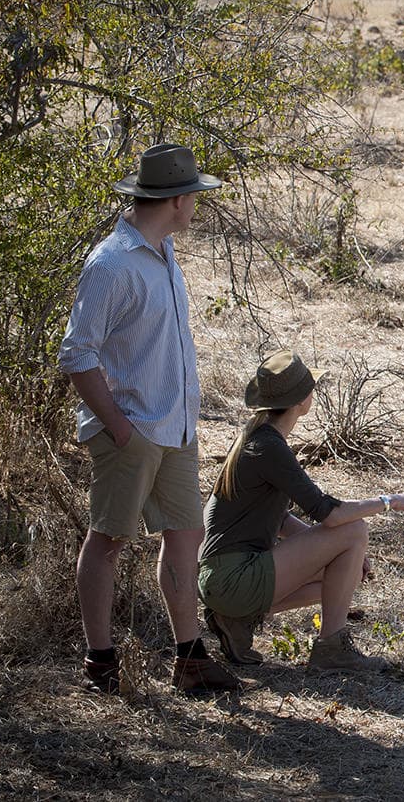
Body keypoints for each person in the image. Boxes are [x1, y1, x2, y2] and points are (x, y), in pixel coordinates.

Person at [58, 142, 240, 695]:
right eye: (195, 198)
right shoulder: (111, 263)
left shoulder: (162, 252)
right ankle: (100, 661)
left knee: (184, 534)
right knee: (109, 539)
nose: (196, 208)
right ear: (178, 200)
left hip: (176, 428)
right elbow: (76, 354)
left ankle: (189, 658)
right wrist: (117, 424)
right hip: (131, 429)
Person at [198, 349, 404, 673]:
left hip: (223, 578)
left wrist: (342, 552)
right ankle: (331, 648)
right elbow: (329, 514)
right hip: (233, 578)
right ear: (301, 400)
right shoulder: (268, 447)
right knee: (354, 529)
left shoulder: (258, 438)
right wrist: (390, 501)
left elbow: (282, 520)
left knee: (349, 569)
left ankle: (239, 618)